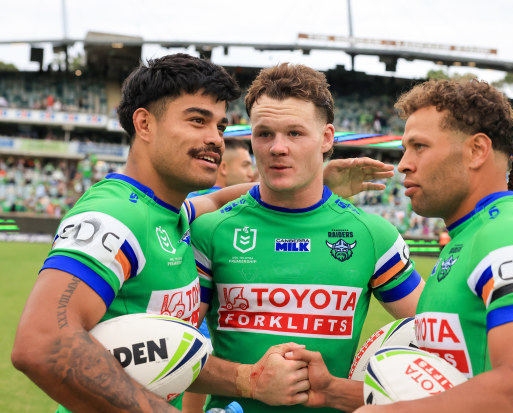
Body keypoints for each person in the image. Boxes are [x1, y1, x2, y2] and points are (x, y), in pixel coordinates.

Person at [11, 53, 313, 413]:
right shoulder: (115, 216)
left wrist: (311, 181)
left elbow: (216, 200)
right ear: (144, 124)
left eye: (219, 126)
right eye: (197, 120)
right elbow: (41, 344)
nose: (215, 139)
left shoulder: (170, 211)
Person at [287, 78, 513, 413]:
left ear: (476, 150)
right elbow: (451, 390)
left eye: (419, 147)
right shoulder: (468, 238)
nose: (403, 165)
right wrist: (333, 392)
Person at [188, 63, 424, 412]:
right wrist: (250, 380)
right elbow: (173, 358)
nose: (277, 148)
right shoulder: (211, 232)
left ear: (327, 138)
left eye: (295, 133)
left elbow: (441, 336)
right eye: (264, 133)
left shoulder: (373, 236)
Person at [183, 137, 255, 412]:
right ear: (222, 167)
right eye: (246, 164)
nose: (252, 172)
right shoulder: (216, 211)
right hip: (202, 317)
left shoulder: (198, 201)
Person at [187, 138, 254, 198]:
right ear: (223, 168)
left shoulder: (188, 200)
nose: (251, 174)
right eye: (245, 165)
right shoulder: (230, 205)